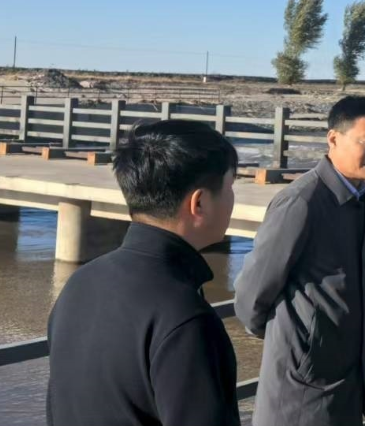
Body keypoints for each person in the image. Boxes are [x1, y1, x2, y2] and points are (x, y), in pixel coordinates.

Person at [47, 120, 240, 426]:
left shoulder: (81, 282)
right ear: (200, 202)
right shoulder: (185, 317)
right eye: (230, 187)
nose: (232, 199)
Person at [235, 95, 365, 426]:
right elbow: (253, 292)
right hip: (302, 384)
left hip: (347, 375)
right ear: (333, 139)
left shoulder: (364, 200)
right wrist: (297, 342)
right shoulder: (302, 202)